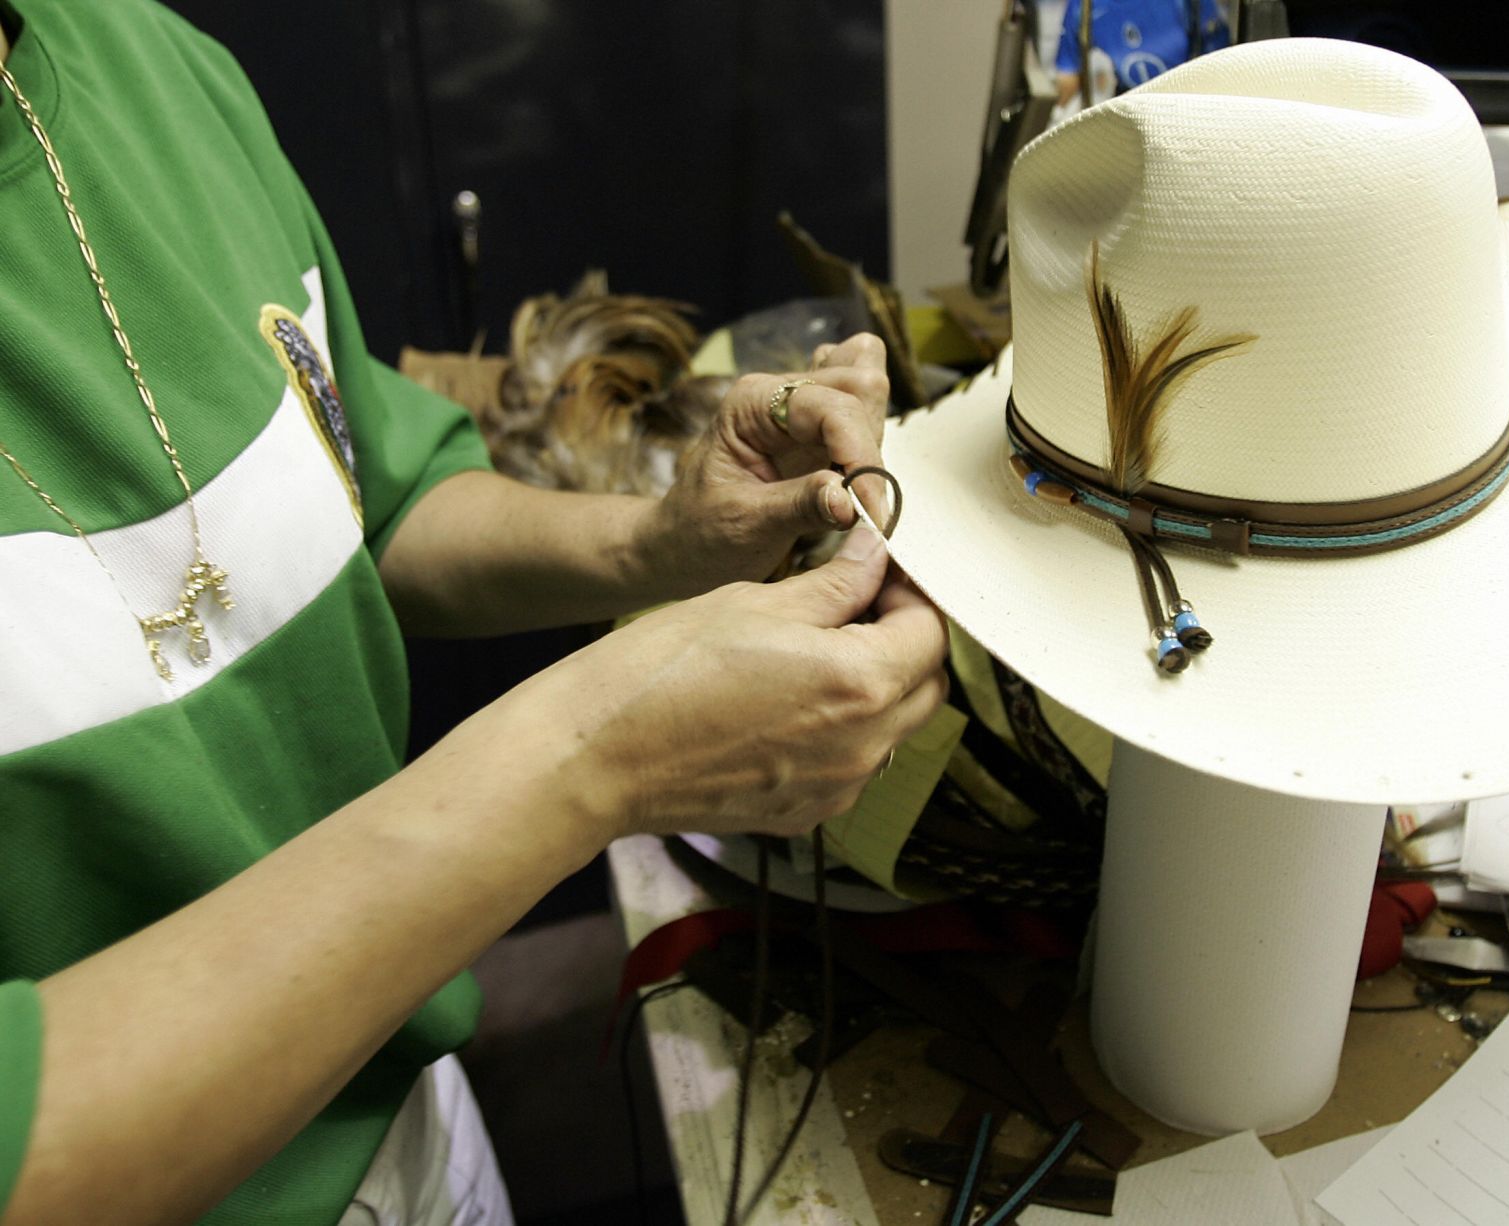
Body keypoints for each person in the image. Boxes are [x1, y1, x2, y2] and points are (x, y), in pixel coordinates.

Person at [0, 1, 948, 1223]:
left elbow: (371, 499)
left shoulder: (147, 61)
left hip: (412, 1113)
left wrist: (657, 541)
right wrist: (588, 759)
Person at [1053, 0, 1231, 107]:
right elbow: (1067, 81)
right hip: (1124, 118)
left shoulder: (1189, 4)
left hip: (1187, 109)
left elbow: (1223, 65)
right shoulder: (1083, 6)